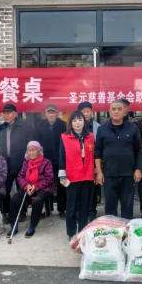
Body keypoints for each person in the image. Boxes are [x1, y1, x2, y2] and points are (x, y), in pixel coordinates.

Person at [94, 99, 142, 219]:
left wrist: (138, 169)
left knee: (127, 207)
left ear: (124, 112)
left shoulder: (133, 128)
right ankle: (112, 229)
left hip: (128, 175)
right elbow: (97, 152)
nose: (116, 111)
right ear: (109, 111)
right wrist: (99, 172)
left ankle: (126, 229)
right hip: (109, 174)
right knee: (110, 207)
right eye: (113, 109)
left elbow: (138, 150)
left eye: (119, 109)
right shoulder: (102, 129)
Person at [0, 103, 36, 219]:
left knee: (21, 188)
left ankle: (22, 212)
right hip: (4, 165)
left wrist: (28, 161)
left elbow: (31, 146)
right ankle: (6, 212)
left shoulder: (25, 128)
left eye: (9, 113)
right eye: (4, 113)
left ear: (16, 114)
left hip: (21, 163)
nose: (6, 115)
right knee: (4, 189)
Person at [59, 111, 95, 240]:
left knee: (85, 206)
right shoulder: (65, 137)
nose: (77, 123)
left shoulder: (90, 136)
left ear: (84, 121)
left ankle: (82, 232)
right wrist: (62, 175)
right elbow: (61, 156)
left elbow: (94, 156)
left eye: (80, 120)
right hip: (72, 177)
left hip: (87, 176)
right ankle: (71, 232)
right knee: (71, 207)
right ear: (70, 123)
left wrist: (96, 172)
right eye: (74, 120)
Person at [9, 141, 53, 238]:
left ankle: (32, 226)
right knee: (14, 199)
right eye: (29, 150)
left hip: (43, 188)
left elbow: (49, 178)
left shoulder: (46, 162)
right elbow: (20, 177)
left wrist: (36, 186)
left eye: (34, 150)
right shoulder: (26, 163)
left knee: (37, 201)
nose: (31, 152)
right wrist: (26, 185)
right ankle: (14, 226)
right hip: (28, 187)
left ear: (39, 151)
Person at [36, 104, 67, 217]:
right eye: (49, 112)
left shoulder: (63, 125)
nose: (51, 114)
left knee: (62, 184)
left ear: (57, 113)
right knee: (46, 184)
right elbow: (37, 144)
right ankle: (48, 208)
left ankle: (62, 209)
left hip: (60, 160)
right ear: (45, 114)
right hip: (45, 161)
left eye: (53, 112)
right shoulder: (40, 126)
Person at [79, 101, 100, 220]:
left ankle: (92, 211)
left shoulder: (97, 127)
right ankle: (81, 211)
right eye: (83, 112)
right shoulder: (75, 126)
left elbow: (99, 147)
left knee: (92, 188)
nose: (86, 114)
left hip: (92, 163)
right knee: (80, 188)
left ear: (92, 112)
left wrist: (97, 166)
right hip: (78, 163)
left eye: (88, 111)